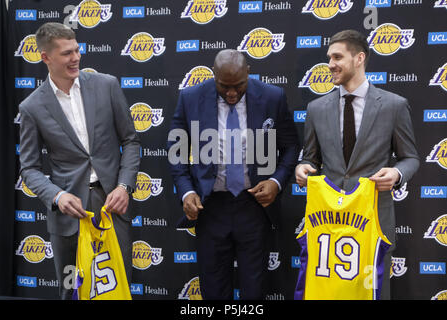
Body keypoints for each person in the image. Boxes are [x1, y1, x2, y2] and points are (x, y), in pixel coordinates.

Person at [18, 22, 140, 299]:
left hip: (112, 207)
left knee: (117, 287)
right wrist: (57, 196)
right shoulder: (31, 107)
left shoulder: (106, 85)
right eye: (66, 53)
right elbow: (29, 168)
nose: (75, 58)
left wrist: (124, 186)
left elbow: (131, 141)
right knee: (72, 290)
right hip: (68, 215)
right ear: (45, 57)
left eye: (76, 50)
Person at [295, 30, 419, 299]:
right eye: (329, 57)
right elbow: (310, 157)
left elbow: (411, 158)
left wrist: (397, 173)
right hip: (327, 227)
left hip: (373, 222)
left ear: (359, 58)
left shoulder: (394, 106)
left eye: (337, 57)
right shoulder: (316, 108)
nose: (330, 64)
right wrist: (302, 167)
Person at [168, 49, 299, 299]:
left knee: (255, 290)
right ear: (213, 75)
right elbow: (177, 152)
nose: (231, 93)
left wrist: (275, 181)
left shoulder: (272, 97)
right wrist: (187, 191)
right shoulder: (190, 98)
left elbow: (291, 146)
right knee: (214, 290)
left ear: (248, 73)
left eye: (238, 86)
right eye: (223, 86)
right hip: (210, 209)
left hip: (254, 208)